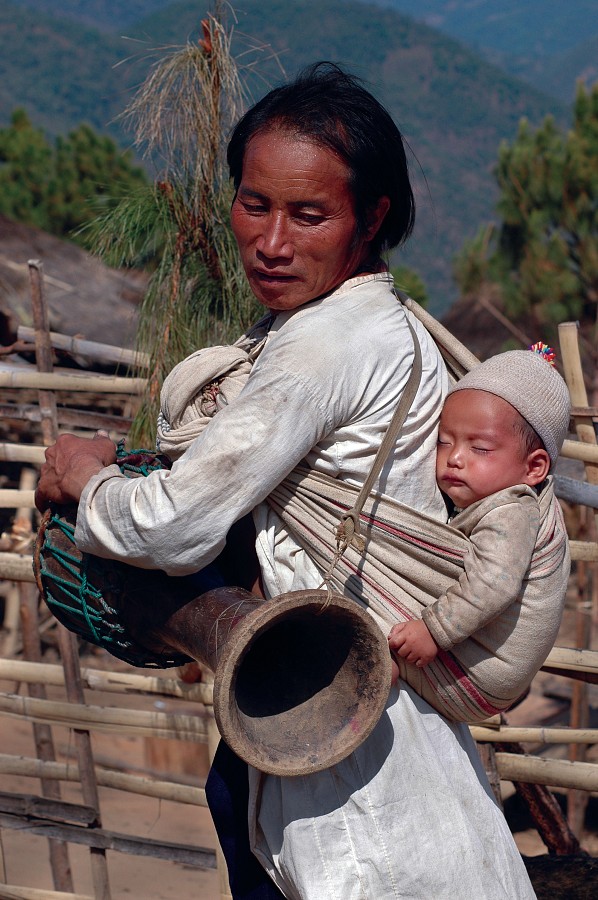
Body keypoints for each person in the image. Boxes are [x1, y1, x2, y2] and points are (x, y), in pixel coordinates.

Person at [35, 63, 536, 899]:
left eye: (309, 215)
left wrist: (89, 480)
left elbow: (173, 525)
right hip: (351, 711)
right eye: (253, 203)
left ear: (370, 217)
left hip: (328, 714)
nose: (271, 242)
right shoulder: (390, 326)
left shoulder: (323, 345)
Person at [389, 348, 570, 716]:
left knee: (374, 641)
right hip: (489, 677)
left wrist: (433, 631)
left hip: (481, 676)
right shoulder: (496, 496)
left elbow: (494, 583)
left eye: (481, 447)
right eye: (444, 441)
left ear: (534, 468)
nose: (454, 457)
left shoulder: (512, 511)